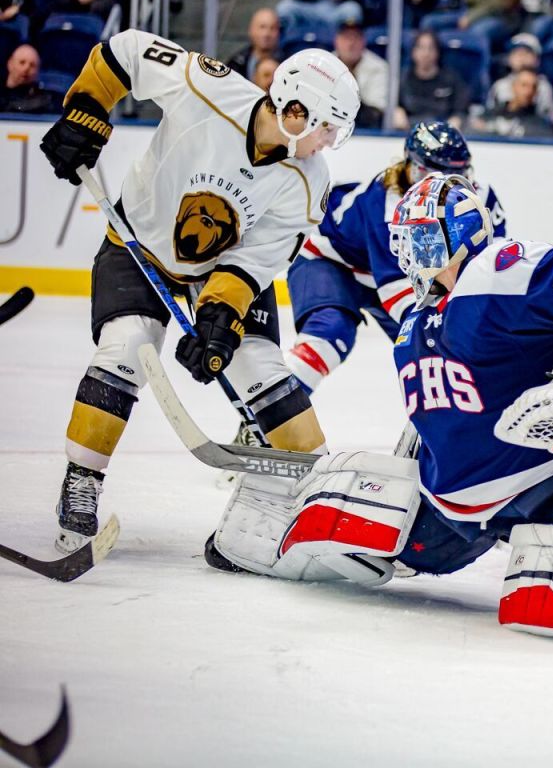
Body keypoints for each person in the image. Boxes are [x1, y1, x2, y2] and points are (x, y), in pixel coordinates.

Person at [204, 172, 553, 667]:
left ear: (466, 235)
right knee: (368, 538)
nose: (413, 255)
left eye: (426, 239)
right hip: (451, 512)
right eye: (406, 242)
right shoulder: (416, 320)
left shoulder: (497, 272)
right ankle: (278, 527)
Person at [37, 30, 360, 552]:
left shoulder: (308, 181)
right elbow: (126, 52)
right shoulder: (209, 89)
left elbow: (253, 261)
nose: (328, 142)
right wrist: (86, 109)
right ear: (297, 112)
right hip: (139, 245)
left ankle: (317, 493)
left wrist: (219, 319)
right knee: (128, 347)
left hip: (219, 273)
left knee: (260, 367)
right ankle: (82, 483)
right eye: (327, 127)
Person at [285, 121, 506, 393]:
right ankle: (263, 421)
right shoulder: (387, 208)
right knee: (330, 334)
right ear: (413, 168)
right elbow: (396, 288)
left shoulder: (480, 200)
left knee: (437, 355)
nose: (448, 182)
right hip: (330, 260)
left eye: (458, 173)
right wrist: (447, 333)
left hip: (393, 273)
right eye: (439, 172)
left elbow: (491, 265)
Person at [395, 30, 469, 130]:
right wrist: (397, 111)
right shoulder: (403, 79)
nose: (426, 53)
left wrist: (457, 119)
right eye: (421, 48)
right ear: (413, 52)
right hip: (409, 132)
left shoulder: (451, 79)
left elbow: (461, 110)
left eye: (431, 48)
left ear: (438, 52)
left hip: (443, 133)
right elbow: (395, 105)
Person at [485, 33, 553, 123]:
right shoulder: (500, 85)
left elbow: (547, 118)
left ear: (537, 59)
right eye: (516, 53)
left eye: (526, 53)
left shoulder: (543, 86)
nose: (521, 57)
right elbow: (491, 115)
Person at [474, 66, 553, 138]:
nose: (529, 91)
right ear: (513, 86)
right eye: (524, 85)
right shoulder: (491, 114)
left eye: (533, 87)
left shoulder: (540, 126)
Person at [333, 22, 388, 127]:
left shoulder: (379, 67)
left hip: (366, 128)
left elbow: (377, 111)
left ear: (363, 41)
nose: (351, 43)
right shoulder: (323, 65)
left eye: (355, 37)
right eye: (346, 38)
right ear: (337, 41)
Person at [224, 8, 282, 82]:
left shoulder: (289, 63)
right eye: (262, 27)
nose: (266, 34)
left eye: (272, 28)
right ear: (251, 30)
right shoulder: (236, 63)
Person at [0, 44, 54, 113]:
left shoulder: (44, 102)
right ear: (10, 63)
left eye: (32, 65)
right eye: (22, 62)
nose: (26, 68)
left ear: (38, 71)